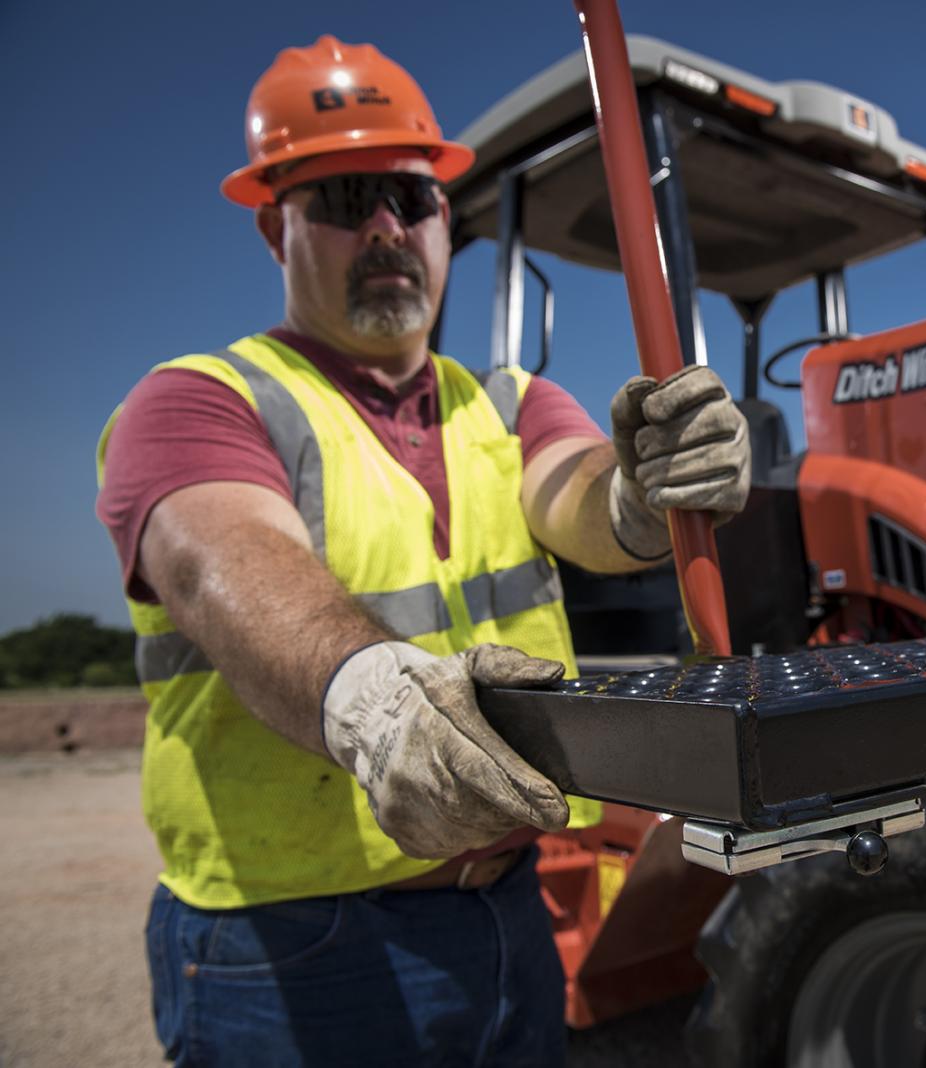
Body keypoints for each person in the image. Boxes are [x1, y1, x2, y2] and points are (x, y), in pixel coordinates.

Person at [94, 35, 750, 1066]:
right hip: (292, 945)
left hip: (506, 912)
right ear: (277, 229)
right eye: (348, 200)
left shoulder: (510, 401)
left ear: (448, 219)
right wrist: (374, 699)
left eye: (413, 198)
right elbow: (225, 565)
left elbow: (573, 492)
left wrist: (639, 496)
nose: (390, 228)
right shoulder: (200, 400)